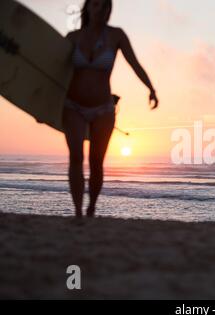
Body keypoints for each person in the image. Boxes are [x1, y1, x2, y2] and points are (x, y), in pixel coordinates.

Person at [64, 0, 158, 217]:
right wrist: (40, 107)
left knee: (97, 161)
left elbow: (134, 64)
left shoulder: (116, 35)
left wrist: (151, 89)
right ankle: (78, 211)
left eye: (107, 6)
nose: (102, 10)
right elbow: (52, 71)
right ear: (88, 7)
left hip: (103, 109)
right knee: (76, 157)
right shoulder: (72, 38)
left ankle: (92, 207)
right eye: (97, 5)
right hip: (73, 107)